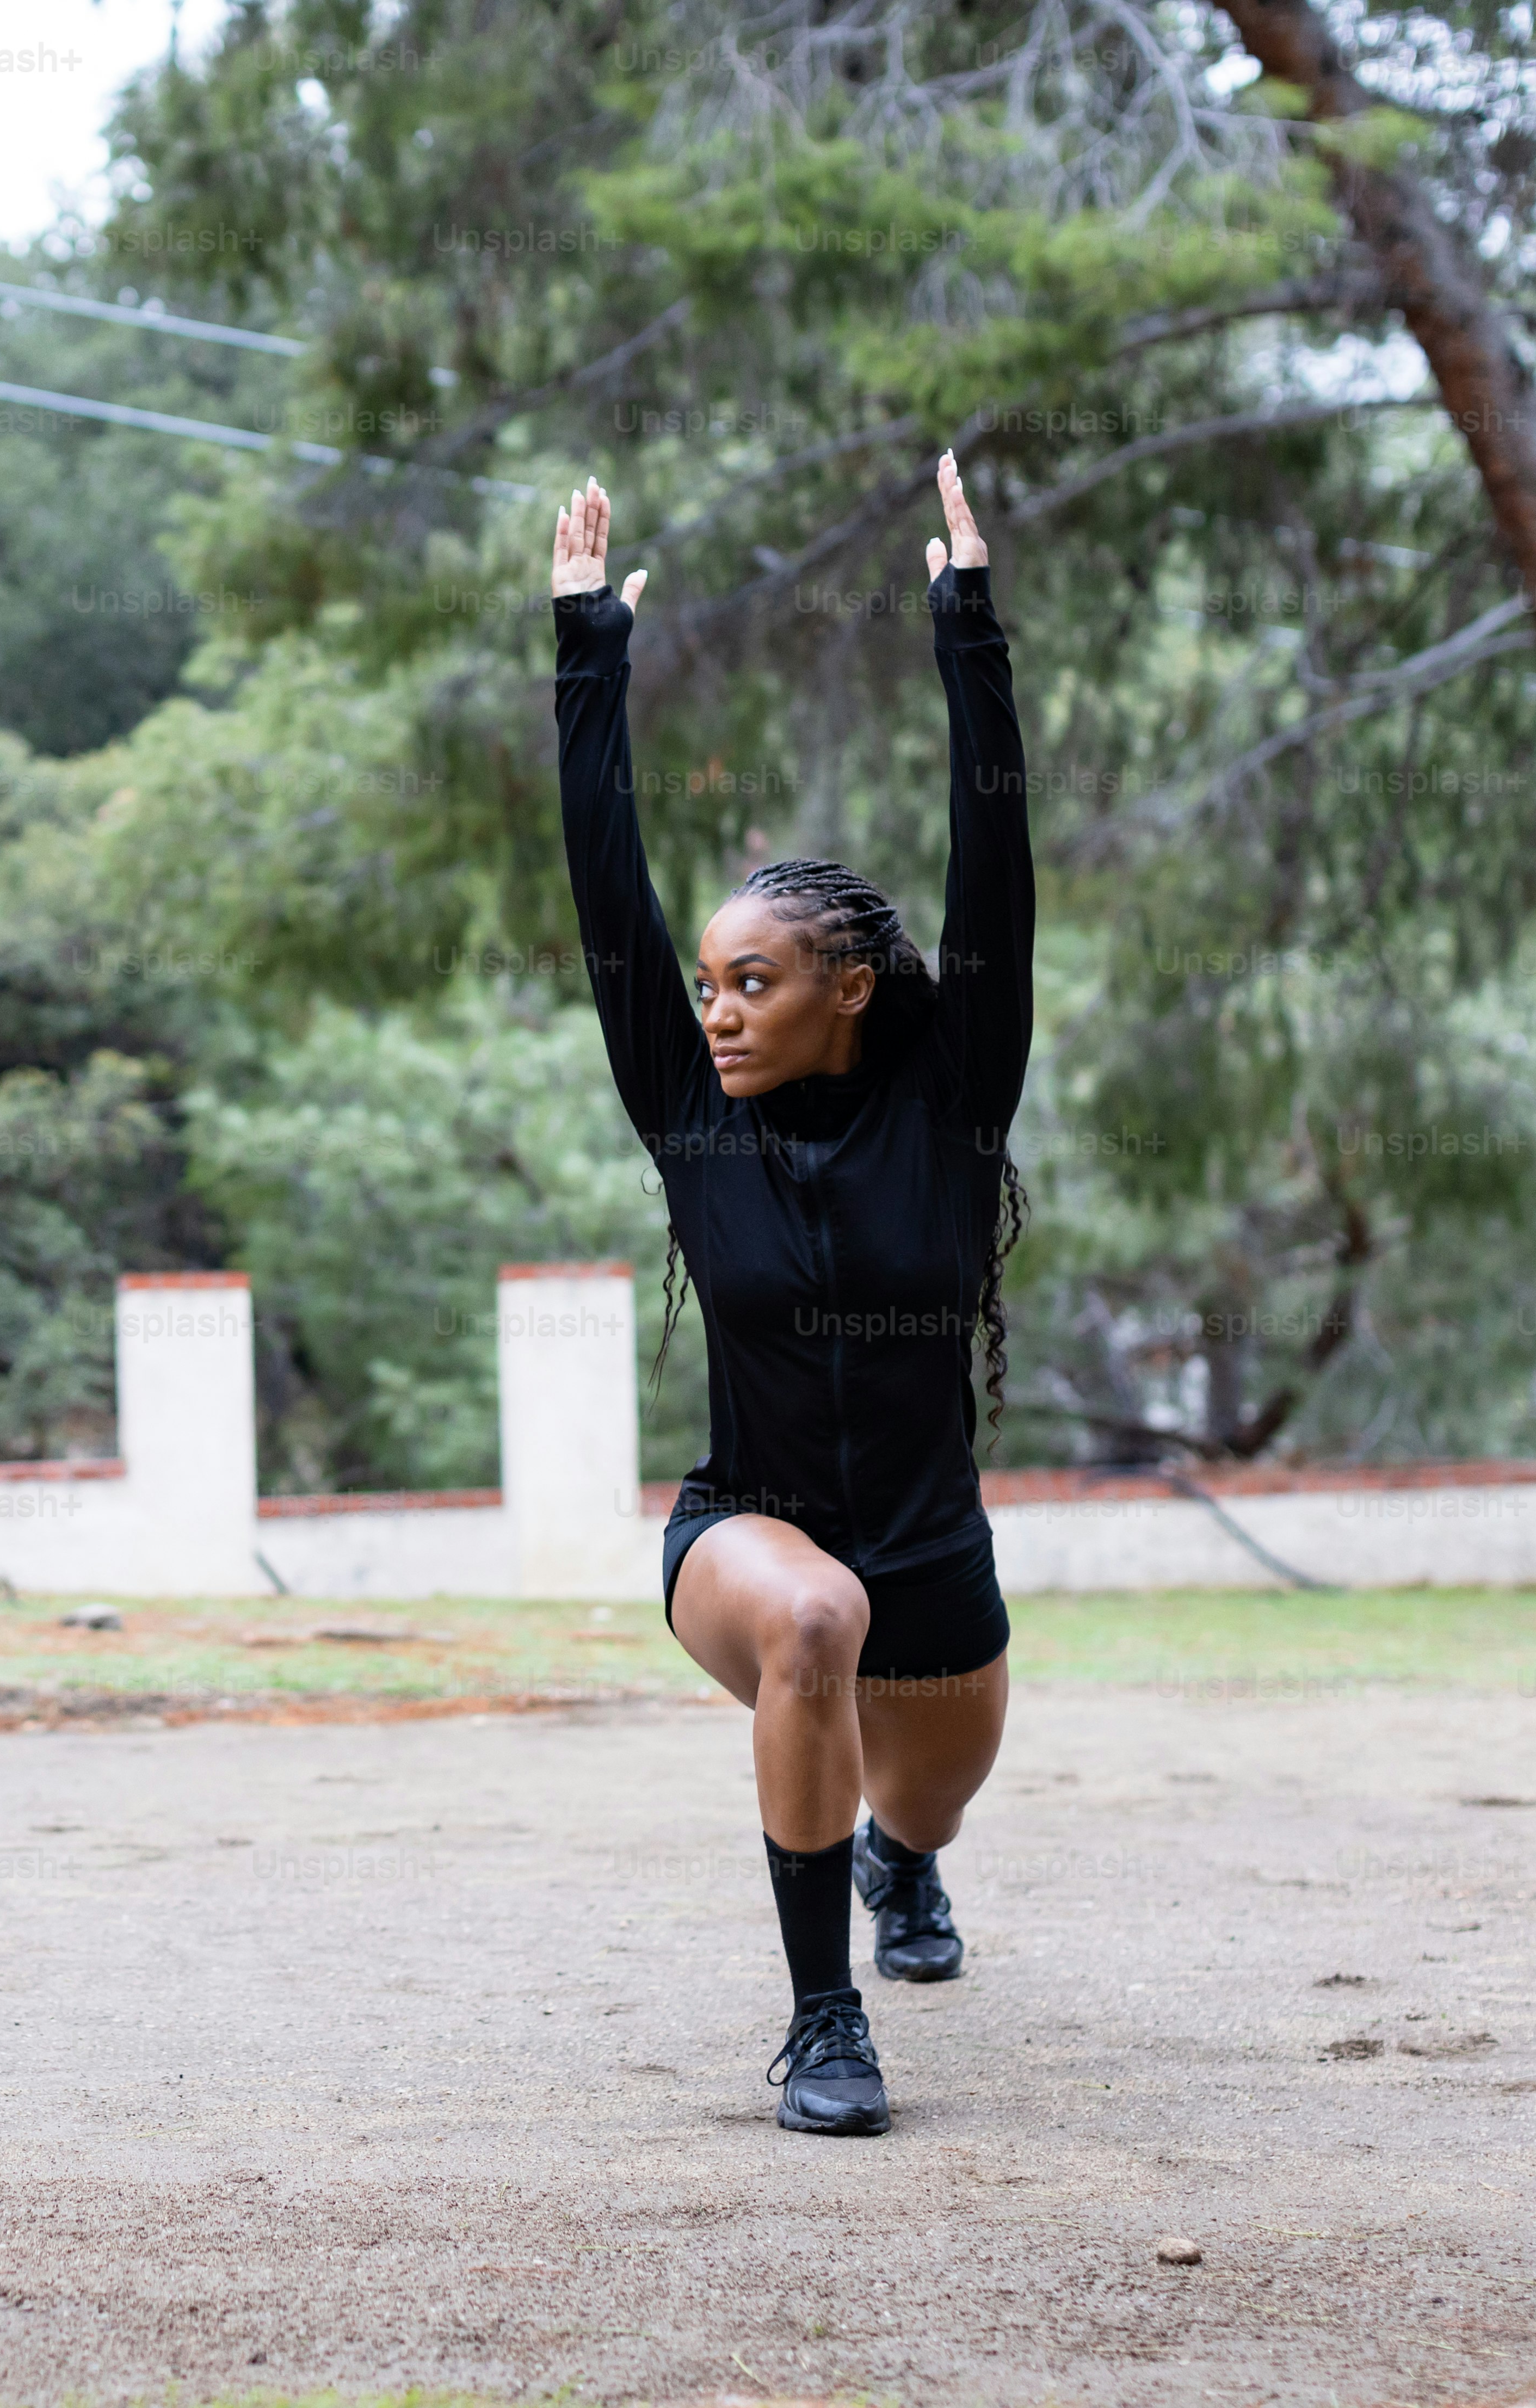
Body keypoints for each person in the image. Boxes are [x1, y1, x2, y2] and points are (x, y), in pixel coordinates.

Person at [549, 457, 1031, 2137]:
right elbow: (610, 899)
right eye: (709, 988)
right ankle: (823, 2023)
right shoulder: (693, 1122)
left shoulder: (954, 1106)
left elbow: (999, 875)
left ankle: (905, 1864)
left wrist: (970, 626)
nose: (722, 1014)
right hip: (747, 1535)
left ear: (849, 990)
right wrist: (582, 653)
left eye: (753, 984)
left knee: (934, 1798)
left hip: (933, 1561)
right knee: (812, 1621)